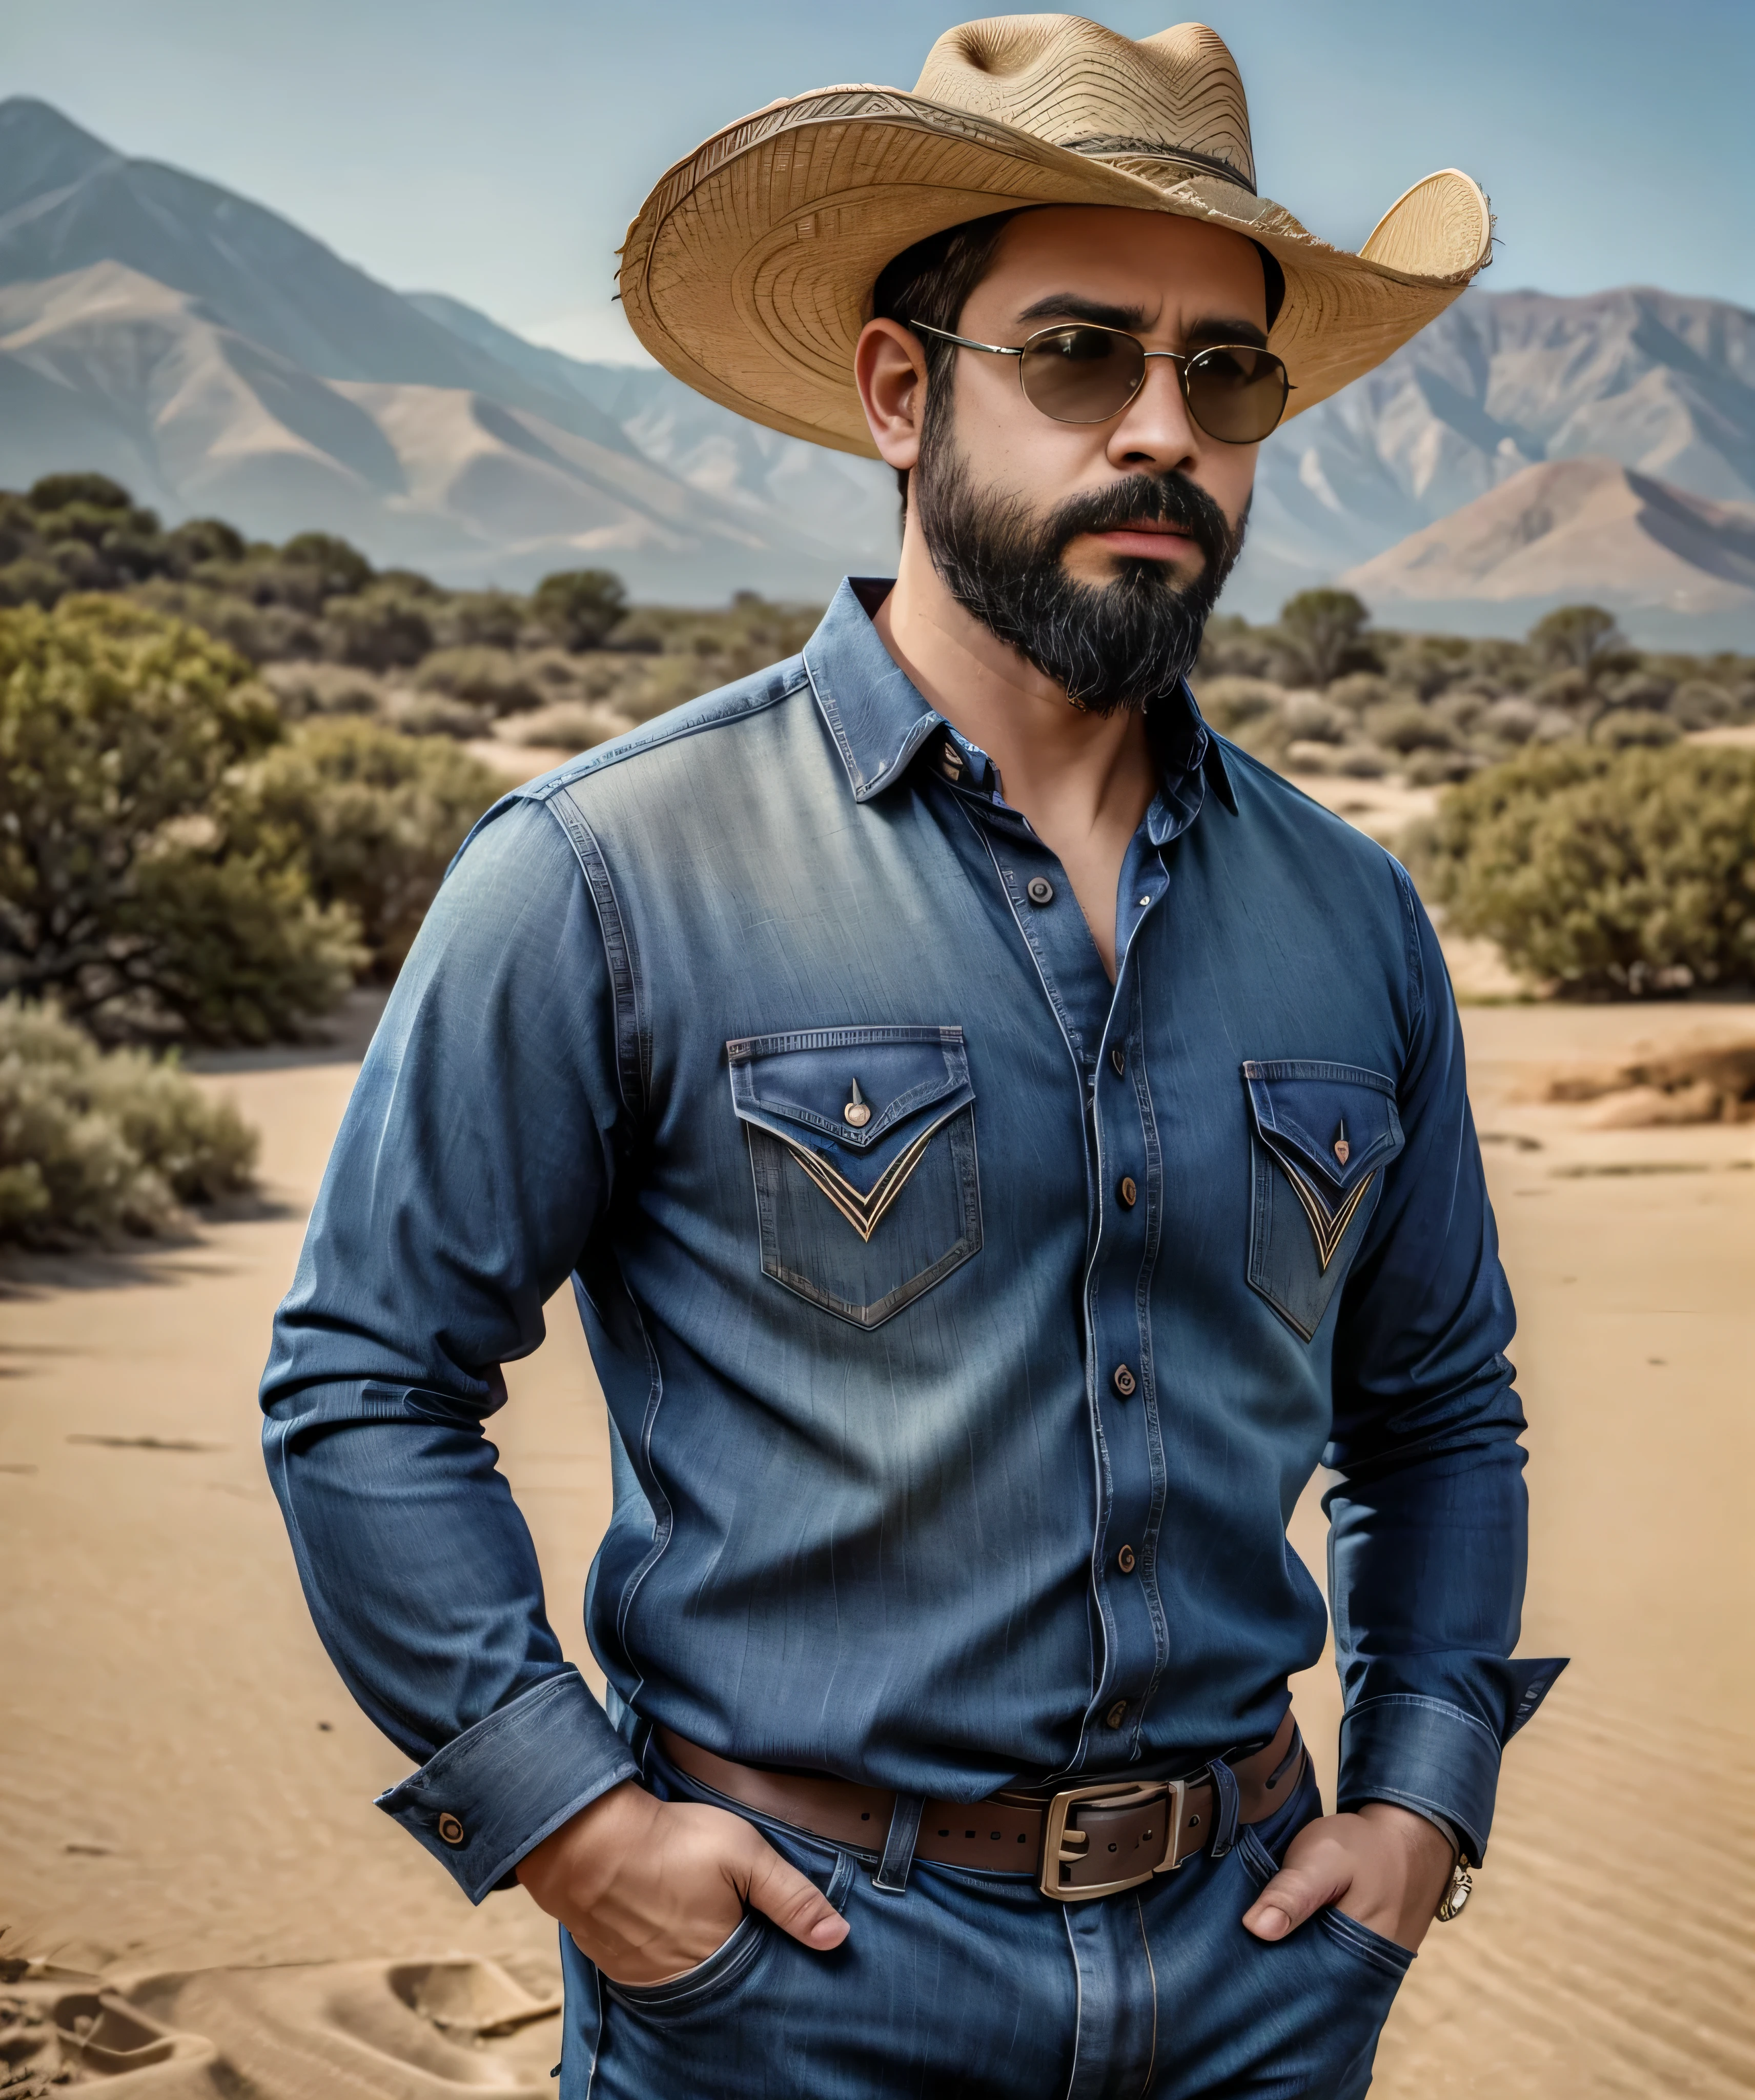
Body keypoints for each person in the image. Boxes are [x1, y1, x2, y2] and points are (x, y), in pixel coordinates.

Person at [261, 16, 1565, 2096]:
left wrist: (1417, 1799)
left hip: (1257, 1973)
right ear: (898, 389)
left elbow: (1434, 1406)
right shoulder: (604, 872)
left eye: (1224, 371)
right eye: (1077, 354)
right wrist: (578, 1829)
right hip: (791, 1987)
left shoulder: (1353, 917)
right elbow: (364, 1379)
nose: (1161, 427)